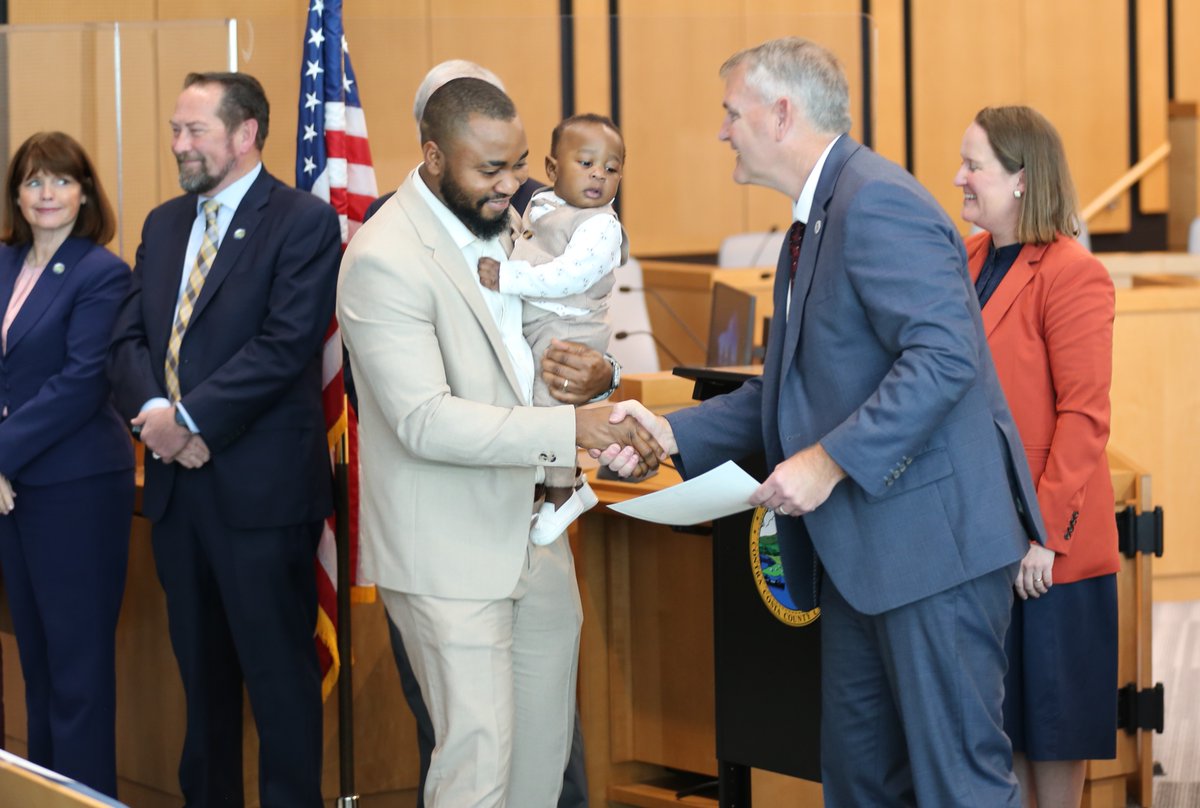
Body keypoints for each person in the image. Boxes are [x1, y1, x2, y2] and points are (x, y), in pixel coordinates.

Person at [601, 38, 1045, 806]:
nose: (720, 132)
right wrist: (673, 434)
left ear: (781, 114)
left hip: (933, 552)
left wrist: (827, 462)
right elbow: (794, 388)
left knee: (956, 788)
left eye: (729, 113)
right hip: (865, 560)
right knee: (860, 786)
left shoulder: (877, 201)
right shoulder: (819, 216)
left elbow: (945, 359)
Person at [337, 77, 658, 807]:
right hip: (447, 552)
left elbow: (555, 329)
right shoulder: (385, 257)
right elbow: (425, 419)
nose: (511, 183)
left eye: (518, 164)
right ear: (432, 156)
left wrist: (600, 375)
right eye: (490, 169)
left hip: (535, 540)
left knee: (540, 769)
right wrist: (568, 429)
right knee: (476, 769)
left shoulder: (516, 223)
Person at [107, 72, 341, 807]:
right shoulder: (164, 222)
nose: (178, 144)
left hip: (262, 498)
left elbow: (284, 344)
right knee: (202, 691)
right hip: (180, 496)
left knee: (278, 688)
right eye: (176, 130)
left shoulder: (301, 220)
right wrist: (155, 413)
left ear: (245, 134)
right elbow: (127, 340)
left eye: (194, 131)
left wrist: (191, 420)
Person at [954, 105, 1120, 807]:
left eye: (974, 165)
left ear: (1021, 178)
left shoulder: (1071, 273)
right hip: (978, 539)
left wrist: (1045, 536)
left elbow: (1085, 417)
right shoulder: (962, 257)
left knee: (1052, 733)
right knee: (1002, 731)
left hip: (1051, 549)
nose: (958, 177)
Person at [0, 131, 134, 797]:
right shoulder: (3, 264)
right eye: (32, 181)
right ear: (16, 194)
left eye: (60, 180)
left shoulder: (100, 272)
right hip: (13, 488)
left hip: (77, 489)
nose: (45, 193)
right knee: (38, 665)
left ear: (84, 193)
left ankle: (85, 799)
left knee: (77, 672)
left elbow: (82, 382)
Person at [478, 113, 628, 543]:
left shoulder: (600, 225)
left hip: (572, 327)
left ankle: (564, 489)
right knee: (537, 397)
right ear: (552, 169)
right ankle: (555, 482)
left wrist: (508, 278)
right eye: (586, 163)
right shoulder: (541, 205)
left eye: (612, 168)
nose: (599, 174)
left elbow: (569, 278)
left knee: (550, 401)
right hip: (543, 320)